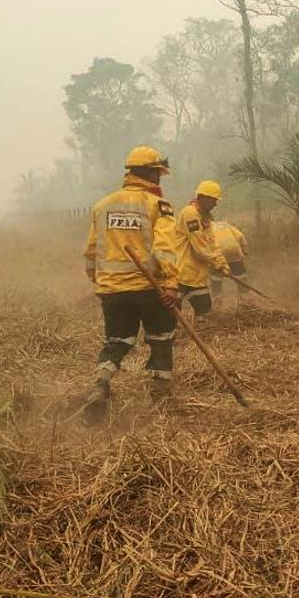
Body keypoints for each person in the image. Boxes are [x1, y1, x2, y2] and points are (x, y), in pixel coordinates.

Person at [82, 146, 180, 420]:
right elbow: (165, 249)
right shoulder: (157, 206)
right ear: (150, 173)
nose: (160, 179)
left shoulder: (102, 205)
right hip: (150, 289)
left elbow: (91, 250)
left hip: (112, 291)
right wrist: (171, 283)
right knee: (162, 339)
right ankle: (161, 398)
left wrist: (99, 281)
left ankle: (100, 386)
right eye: (158, 173)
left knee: (117, 340)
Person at [174, 180, 231, 318]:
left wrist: (222, 263)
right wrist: (217, 263)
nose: (215, 204)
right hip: (181, 274)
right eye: (213, 200)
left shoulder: (205, 218)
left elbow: (212, 243)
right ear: (203, 198)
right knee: (172, 315)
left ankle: (199, 337)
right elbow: (199, 248)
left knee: (205, 313)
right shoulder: (190, 213)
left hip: (197, 276)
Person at [210, 218, 249, 304]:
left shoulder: (205, 227)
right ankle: (245, 297)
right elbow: (240, 236)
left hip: (219, 251)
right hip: (234, 249)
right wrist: (244, 250)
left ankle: (217, 299)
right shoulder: (225, 224)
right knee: (240, 274)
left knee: (216, 277)